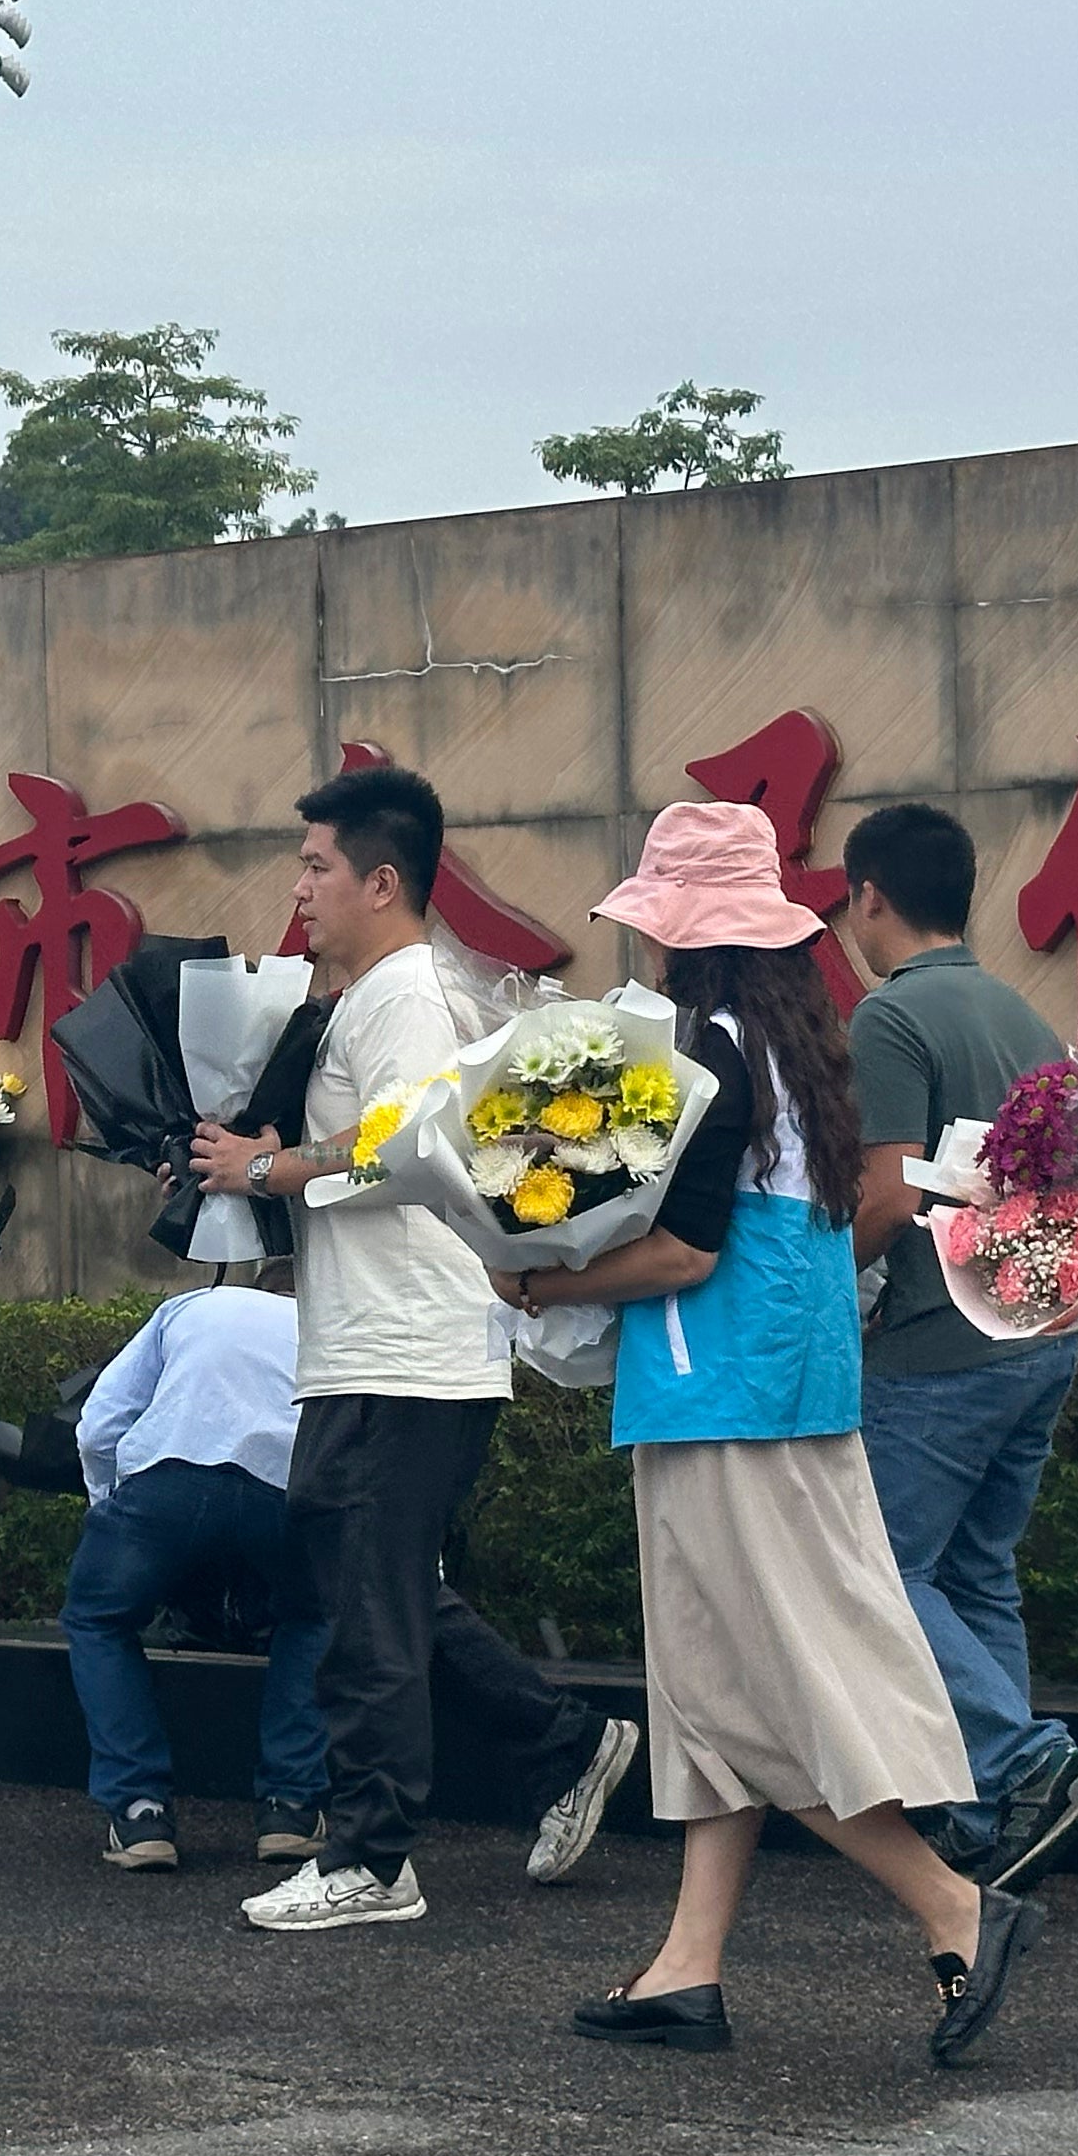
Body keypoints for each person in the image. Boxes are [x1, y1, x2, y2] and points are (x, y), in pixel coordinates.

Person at [521, 802, 1040, 2064]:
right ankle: (686, 1968)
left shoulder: (703, 1052)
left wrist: (543, 1278)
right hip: (794, 1385)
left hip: (721, 1402)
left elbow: (685, 1247)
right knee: (706, 1685)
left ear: (681, 935)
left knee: (744, 1695)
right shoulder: (798, 1041)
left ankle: (957, 1905)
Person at [186, 763, 641, 1934]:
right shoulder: (377, 992)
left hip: (408, 1347)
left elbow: (405, 1149)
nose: (300, 887)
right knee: (373, 1587)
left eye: (318, 866)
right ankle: (568, 1743)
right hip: (375, 1348)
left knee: (367, 1608)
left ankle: (375, 1856)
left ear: (382, 881)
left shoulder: (404, 996)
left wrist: (269, 1166)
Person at [836, 801, 1078, 1887]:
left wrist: (807, 1288)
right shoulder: (1021, 1014)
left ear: (870, 895)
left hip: (938, 1345)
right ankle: (1002, 1816)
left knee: (878, 1566)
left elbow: (883, 1191)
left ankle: (1023, 1760)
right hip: (1042, 1331)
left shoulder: (890, 1018)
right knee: (976, 1573)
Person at [62, 1277, 327, 1870]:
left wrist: (106, 1507)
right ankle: (291, 1806)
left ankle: (139, 1812)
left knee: (98, 1618)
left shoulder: (189, 1307)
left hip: (169, 1477)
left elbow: (100, 1423)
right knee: (312, 1617)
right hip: (283, 1487)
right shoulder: (328, 1321)